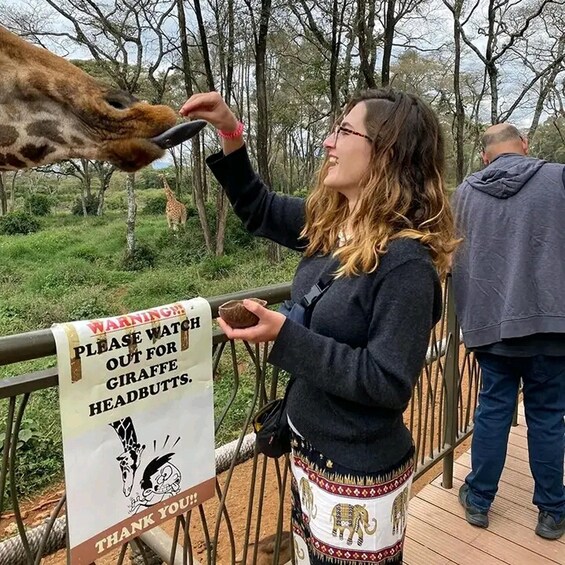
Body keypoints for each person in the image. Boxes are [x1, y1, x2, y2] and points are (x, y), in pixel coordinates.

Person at [180, 89, 458, 564]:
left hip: (357, 475)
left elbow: (386, 380)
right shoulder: (334, 227)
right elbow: (258, 207)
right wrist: (229, 130)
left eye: (343, 131)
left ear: (386, 153)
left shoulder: (406, 264)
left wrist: (284, 336)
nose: (328, 142)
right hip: (310, 455)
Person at [451, 123, 565, 540]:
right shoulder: (557, 177)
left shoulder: (464, 193)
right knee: (549, 416)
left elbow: (454, 253)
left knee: (494, 410)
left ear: (485, 157)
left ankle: (479, 500)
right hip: (551, 322)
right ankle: (552, 511)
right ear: (525, 147)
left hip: (491, 325)